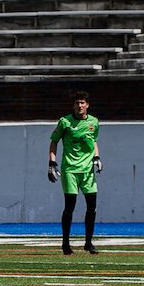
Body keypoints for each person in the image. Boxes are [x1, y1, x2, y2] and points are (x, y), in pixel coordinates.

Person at [48, 90, 102, 255]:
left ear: (87, 105)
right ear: (73, 105)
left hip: (88, 172)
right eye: (77, 103)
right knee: (70, 207)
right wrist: (52, 163)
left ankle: (88, 243)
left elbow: (93, 141)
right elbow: (54, 142)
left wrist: (97, 158)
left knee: (92, 208)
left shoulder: (94, 122)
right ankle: (65, 244)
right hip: (70, 170)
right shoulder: (65, 122)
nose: (80, 105)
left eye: (82, 103)